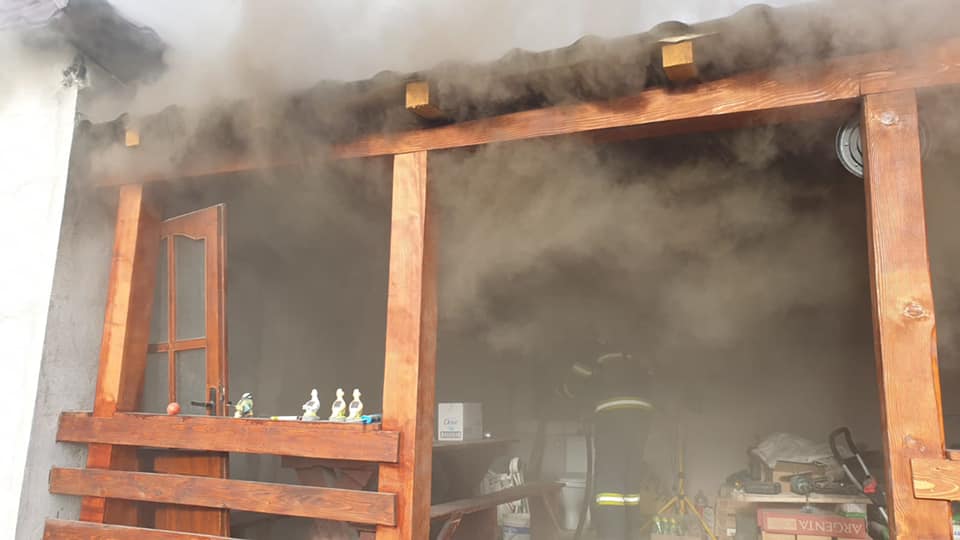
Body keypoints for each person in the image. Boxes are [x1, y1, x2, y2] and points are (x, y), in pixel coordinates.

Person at [559, 351, 655, 540]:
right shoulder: (635, 349)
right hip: (642, 414)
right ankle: (632, 534)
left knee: (609, 488)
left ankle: (613, 535)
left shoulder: (594, 346)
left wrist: (562, 391)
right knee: (630, 483)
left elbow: (574, 383)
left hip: (612, 414)